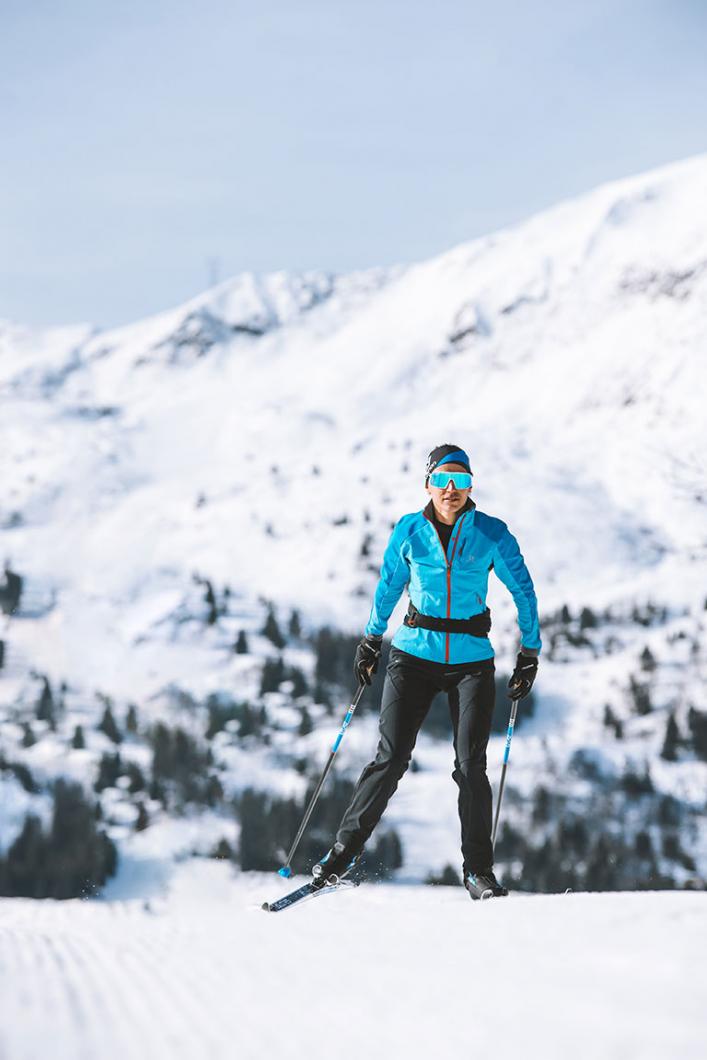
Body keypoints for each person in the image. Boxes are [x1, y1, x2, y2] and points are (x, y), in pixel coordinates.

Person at [312, 443, 541, 899]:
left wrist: (529, 651)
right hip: (413, 657)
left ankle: (478, 872)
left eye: (460, 480)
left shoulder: (492, 534)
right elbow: (389, 586)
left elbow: (524, 590)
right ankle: (341, 855)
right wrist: (371, 639)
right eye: (442, 480)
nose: (451, 490)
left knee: (471, 766)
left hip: (471, 664)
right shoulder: (409, 531)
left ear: (472, 486)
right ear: (428, 484)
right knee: (391, 757)